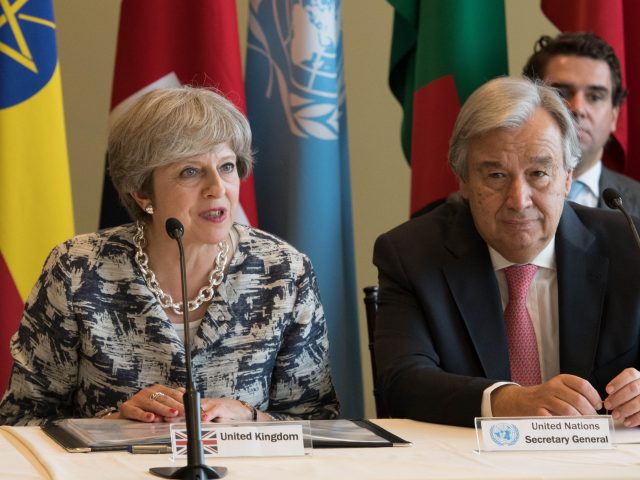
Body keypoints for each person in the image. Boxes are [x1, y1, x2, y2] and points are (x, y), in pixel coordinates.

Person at [0, 87, 339, 426]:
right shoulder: (78, 269)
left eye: (226, 166)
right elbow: (19, 420)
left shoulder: (281, 271)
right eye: (190, 171)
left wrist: (252, 417)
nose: (217, 189)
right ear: (142, 191)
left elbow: (317, 422)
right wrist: (113, 422)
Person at [374, 76, 640, 428]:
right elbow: (402, 382)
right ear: (464, 181)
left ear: (567, 178)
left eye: (539, 174)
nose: (519, 200)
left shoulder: (630, 245)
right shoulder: (413, 255)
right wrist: (507, 400)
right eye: (497, 175)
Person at [523, 32, 640, 215]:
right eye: (560, 93)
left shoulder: (637, 203)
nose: (577, 108)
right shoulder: (478, 203)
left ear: (614, 116)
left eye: (594, 97)